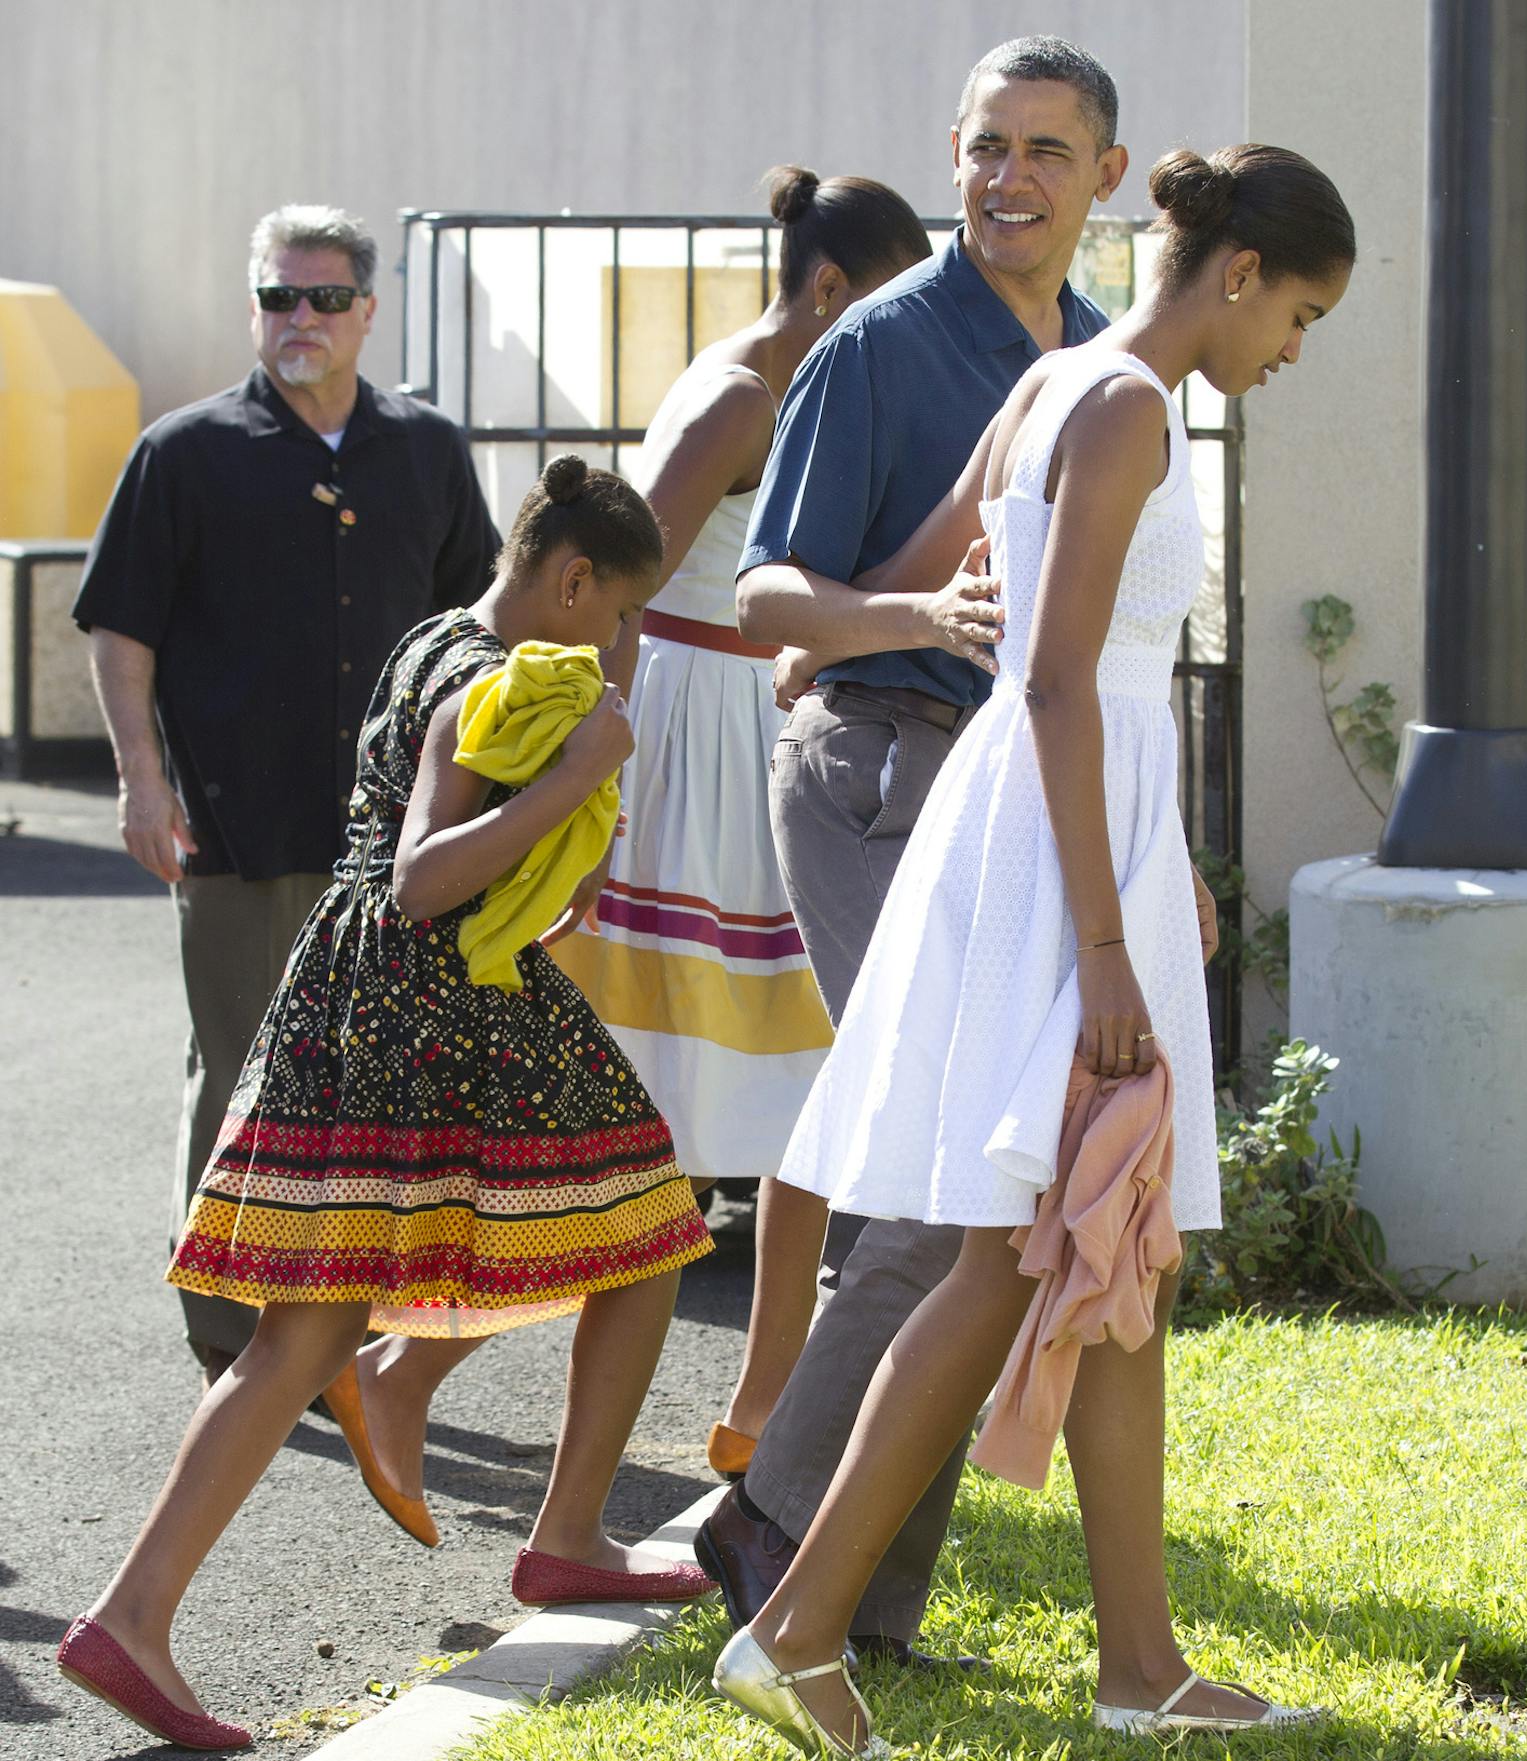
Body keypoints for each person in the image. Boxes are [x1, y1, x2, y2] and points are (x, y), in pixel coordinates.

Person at [712, 143, 1357, 1757]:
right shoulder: (1127, 403)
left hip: (1067, 833)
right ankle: (794, 1628)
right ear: (1235, 274)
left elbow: (960, 585)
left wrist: (1156, 874)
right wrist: (1109, 943)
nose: (1295, 349)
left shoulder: (1055, 377)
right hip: (1059, 860)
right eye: (1303, 311)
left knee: (1109, 1240)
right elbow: (1061, 682)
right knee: (1018, 1251)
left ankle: (1139, 1665)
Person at [55, 458, 716, 1754]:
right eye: (622, 612)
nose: (620, 640)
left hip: (371, 994)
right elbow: (422, 877)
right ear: (575, 580)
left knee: (322, 1333)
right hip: (429, 997)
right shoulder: (498, 684)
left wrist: (547, 854)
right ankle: (556, 1530)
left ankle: (139, 1614)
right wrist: (578, 773)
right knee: (639, 1238)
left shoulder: (435, 637)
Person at [692, 36, 1128, 1668]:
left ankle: (851, 1595)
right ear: (954, 156)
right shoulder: (880, 345)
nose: (1009, 178)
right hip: (879, 767)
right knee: (952, 1205)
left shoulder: (1101, 358)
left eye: (1044, 152)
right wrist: (915, 611)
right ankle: (773, 1526)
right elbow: (765, 599)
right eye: (987, 148)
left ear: (1107, 176)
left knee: (985, 1207)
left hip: (1017, 794)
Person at [546, 167, 931, 1484]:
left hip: (750, 736)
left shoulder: (798, 392)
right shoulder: (739, 395)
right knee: (657, 1093)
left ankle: (765, 1406)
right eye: (884, 307)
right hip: (691, 752)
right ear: (829, 288)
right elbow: (611, 582)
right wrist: (593, 781)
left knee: (807, 1079)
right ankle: (406, 1363)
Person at [72, 204, 499, 1391]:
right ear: (252, 308)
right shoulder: (185, 451)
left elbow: (478, 624)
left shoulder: (426, 449)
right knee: (242, 1068)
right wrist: (140, 783)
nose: (297, 319)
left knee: (367, 1082)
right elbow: (121, 632)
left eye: (321, 298)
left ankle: (330, 1317)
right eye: (276, 298)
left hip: (393, 838)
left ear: (368, 310)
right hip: (234, 825)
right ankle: (226, 1324)